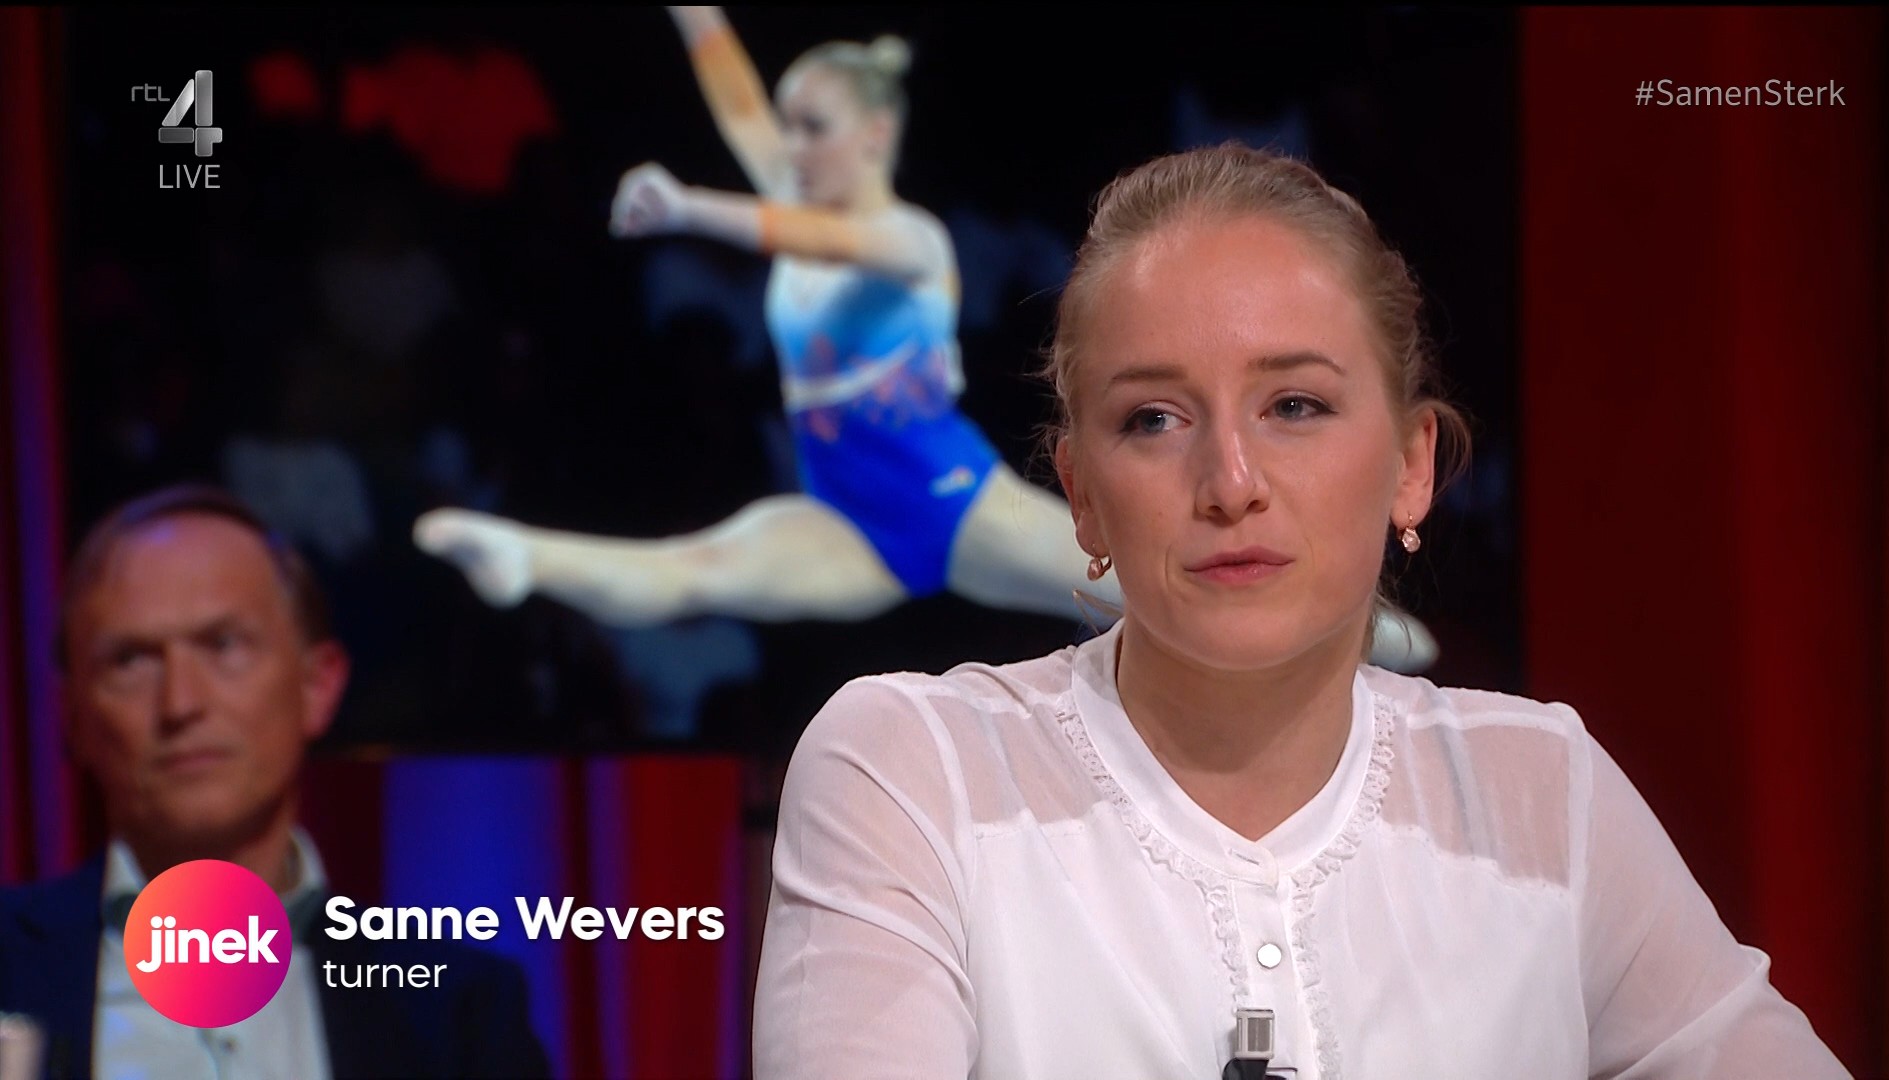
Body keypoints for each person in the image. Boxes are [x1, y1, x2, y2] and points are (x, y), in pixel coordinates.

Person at [749, 144, 1846, 1078]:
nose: (1231, 483)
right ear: (1082, 496)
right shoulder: (915, 770)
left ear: (1411, 465)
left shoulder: (1538, 789)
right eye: (1154, 419)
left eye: (1295, 405)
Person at [411, 6, 1440, 673]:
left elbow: (816, 237)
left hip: (947, 499)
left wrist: (686, 208)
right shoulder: (795, 197)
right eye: (790, 128)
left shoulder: (907, 238)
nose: (789, 144)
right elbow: (739, 107)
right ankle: (522, 556)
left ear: (873, 137)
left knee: (1144, 587)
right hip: (846, 512)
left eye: (812, 129)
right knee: (698, 570)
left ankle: (1372, 636)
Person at [0, 485, 550, 1080]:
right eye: (131, 660)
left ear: (318, 686)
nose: (181, 703)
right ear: (74, 716)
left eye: (223, 645)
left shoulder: (458, 1011)